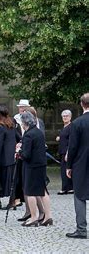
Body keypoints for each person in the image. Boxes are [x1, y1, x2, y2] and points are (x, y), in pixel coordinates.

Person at [17, 111, 52, 227]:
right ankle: (48, 216)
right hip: (41, 164)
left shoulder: (28, 135)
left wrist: (19, 152)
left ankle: (33, 217)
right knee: (43, 191)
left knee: (30, 191)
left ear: (24, 123)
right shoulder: (38, 132)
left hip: (32, 166)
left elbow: (26, 155)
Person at [66, 93, 89, 239]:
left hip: (82, 163)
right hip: (82, 162)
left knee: (79, 196)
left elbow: (72, 147)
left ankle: (81, 229)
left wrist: (69, 166)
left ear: (82, 104)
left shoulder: (77, 123)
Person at [56, 110, 73, 195]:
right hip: (62, 151)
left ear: (70, 117)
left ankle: (65, 188)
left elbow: (71, 141)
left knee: (65, 170)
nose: (65, 117)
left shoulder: (71, 127)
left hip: (67, 152)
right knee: (65, 170)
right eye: (63, 116)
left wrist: (68, 153)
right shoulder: (64, 127)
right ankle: (69, 188)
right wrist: (59, 137)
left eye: (66, 116)